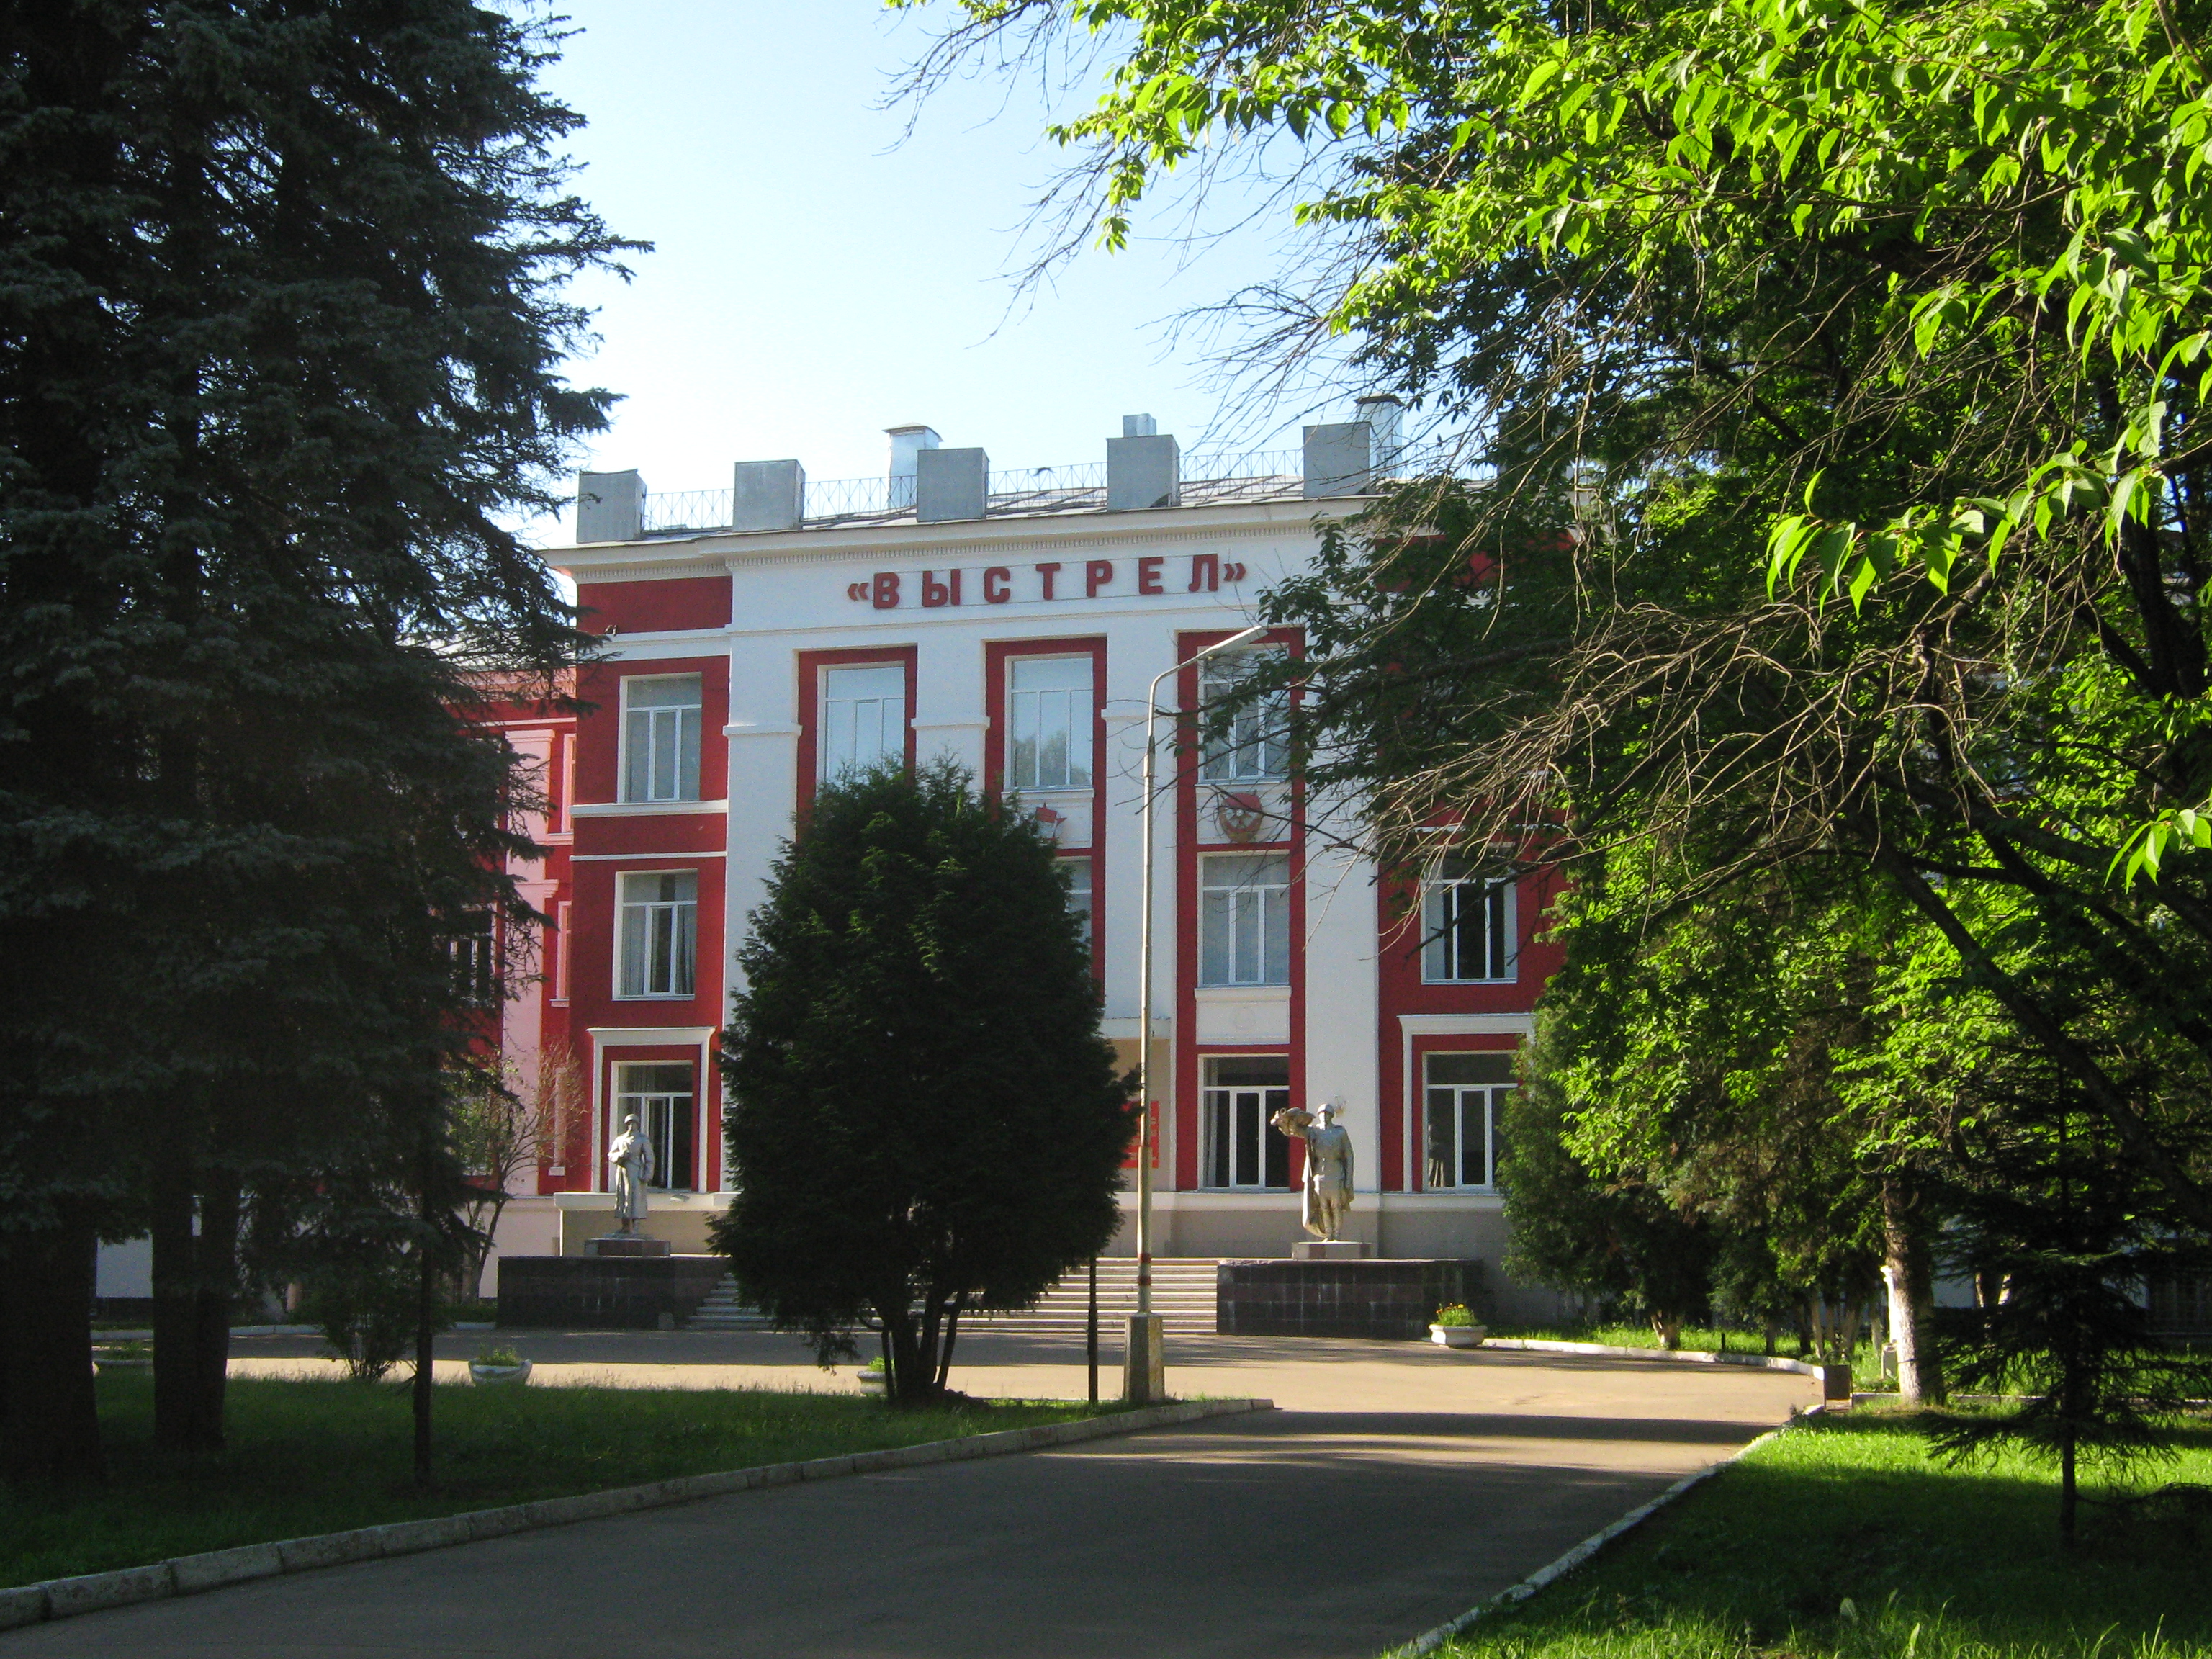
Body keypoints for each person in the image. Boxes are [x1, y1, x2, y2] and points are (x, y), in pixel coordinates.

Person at [1271, 1100, 1354, 1241]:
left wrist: (1348, 1179)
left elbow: (1349, 1155)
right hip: (1318, 1175)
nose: (1324, 1116)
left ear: (1331, 1116)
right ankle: (1328, 1234)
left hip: (1335, 1172)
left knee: (1336, 1207)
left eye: (1327, 1114)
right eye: (1322, 1114)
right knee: (1323, 1208)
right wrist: (1286, 1119)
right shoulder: (1313, 1131)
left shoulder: (1340, 1132)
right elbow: (1294, 1130)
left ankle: (1337, 1235)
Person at [608, 1111, 655, 1233]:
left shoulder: (642, 1139)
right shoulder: (620, 1139)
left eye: (634, 1123)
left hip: (636, 1171)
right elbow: (611, 1154)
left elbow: (650, 1158)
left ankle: (635, 1226)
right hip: (623, 1171)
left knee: (635, 1198)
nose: (631, 1126)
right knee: (623, 1198)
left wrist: (648, 1174)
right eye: (629, 1123)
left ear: (638, 1125)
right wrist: (620, 1155)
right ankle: (625, 1226)